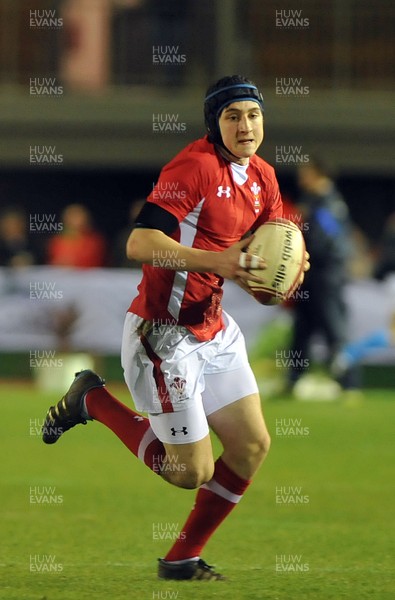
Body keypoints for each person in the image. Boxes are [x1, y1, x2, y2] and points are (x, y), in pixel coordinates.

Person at [41, 75, 309, 581]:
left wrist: (286, 269)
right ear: (215, 124)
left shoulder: (264, 178)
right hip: (162, 334)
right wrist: (223, 261)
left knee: (252, 446)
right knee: (190, 472)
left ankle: (181, 560)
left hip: (213, 327)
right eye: (232, 117)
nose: (245, 125)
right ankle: (91, 399)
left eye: (253, 115)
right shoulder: (193, 167)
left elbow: (263, 255)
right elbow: (139, 244)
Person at [288, 157, 351, 390]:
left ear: (318, 174)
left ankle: (349, 382)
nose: (301, 177)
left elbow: (329, 240)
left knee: (334, 327)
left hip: (326, 275)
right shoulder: (312, 201)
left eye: (306, 172)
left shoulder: (328, 203)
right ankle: (294, 379)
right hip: (309, 274)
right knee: (302, 328)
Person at [47, 203, 107, 268]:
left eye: (77, 216)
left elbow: (96, 260)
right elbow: (52, 258)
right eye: (71, 216)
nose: (75, 221)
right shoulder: (57, 240)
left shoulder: (95, 241)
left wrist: (73, 262)